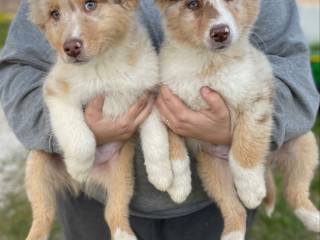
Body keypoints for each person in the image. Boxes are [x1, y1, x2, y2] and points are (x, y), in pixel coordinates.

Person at [0, 0, 319, 239]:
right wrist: (71, 134)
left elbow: (291, 62)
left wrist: (243, 128)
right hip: (94, 203)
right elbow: (19, 66)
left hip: (208, 201)